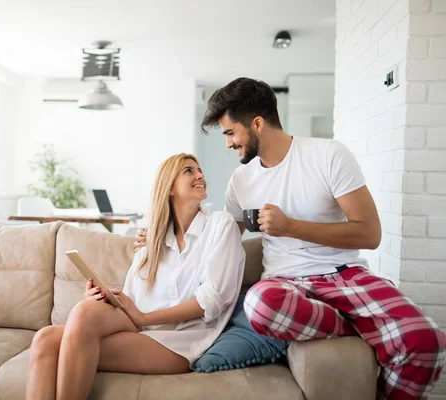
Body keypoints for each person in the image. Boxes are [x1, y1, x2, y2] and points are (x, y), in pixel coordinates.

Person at [135, 78, 446, 400]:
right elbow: (217, 238)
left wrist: (292, 227)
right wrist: (160, 237)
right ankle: (361, 324)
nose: (228, 143)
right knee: (259, 304)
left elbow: (370, 233)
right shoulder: (242, 180)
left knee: (426, 341)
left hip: (344, 274)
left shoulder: (328, 155)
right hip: (285, 285)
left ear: (257, 123)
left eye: (230, 132)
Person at [26, 153, 245, 400]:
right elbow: (132, 297)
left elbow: (211, 301)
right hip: (141, 327)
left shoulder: (221, 226)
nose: (200, 175)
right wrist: (99, 299)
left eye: (199, 169)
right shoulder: (152, 239)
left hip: (179, 342)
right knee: (47, 336)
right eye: (188, 171)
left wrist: (144, 316)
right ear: (169, 188)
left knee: (70, 334)